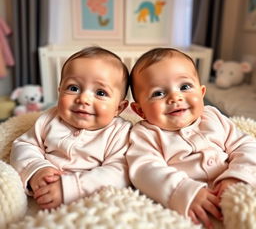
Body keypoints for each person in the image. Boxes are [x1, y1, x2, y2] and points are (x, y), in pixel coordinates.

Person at [126, 47, 256, 229]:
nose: (175, 97)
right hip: (191, 208)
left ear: (202, 93)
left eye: (185, 87)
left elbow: (246, 144)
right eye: (158, 93)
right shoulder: (145, 133)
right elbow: (144, 169)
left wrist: (238, 175)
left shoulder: (213, 117)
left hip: (236, 192)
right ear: (140, 111)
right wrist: (183, 191)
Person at [10, 46, 132, 210]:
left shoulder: (119, 132)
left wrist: (71, 187)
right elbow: (24, 145)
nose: (83, 99)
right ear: (59, 92)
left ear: (119, 107)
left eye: (101, 93)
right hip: (40, 197)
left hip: (90, 202)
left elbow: (119, 172)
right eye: (73, 88)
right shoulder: (50, 119)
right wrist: (37, 169)